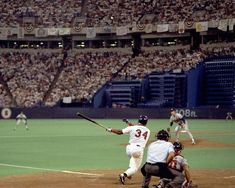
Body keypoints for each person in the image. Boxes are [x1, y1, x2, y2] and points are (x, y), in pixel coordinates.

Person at [107, 115, 150, 184]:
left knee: (133, 162)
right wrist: (128, 122)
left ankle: (129, 173)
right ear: (146, 122)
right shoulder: (148, 130)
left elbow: (120, 132)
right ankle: (123, 175)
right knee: (135, 168)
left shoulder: (133, 128)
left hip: (129, 149)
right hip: (137, 150)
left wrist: (111, 130)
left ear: (138, 120)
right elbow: (136, 128)